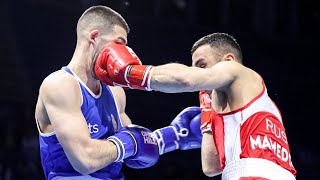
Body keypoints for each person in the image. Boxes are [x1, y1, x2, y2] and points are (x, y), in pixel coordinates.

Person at [94, 33, 297, 179]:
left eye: (201, 65)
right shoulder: (254, 110)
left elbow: (187, 80)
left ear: (228, 60)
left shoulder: (239, 72)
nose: (196, 72)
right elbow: (211, 167)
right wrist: (208, 115)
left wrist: (132, 74)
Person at [35, 5, 202, 180]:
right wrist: (130, 142)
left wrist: (173, 136)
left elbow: (135, 146)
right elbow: (85, 159)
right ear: (94, 37)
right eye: (119, 43)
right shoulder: (60, 84)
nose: (124, 53)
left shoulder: (116, 93)